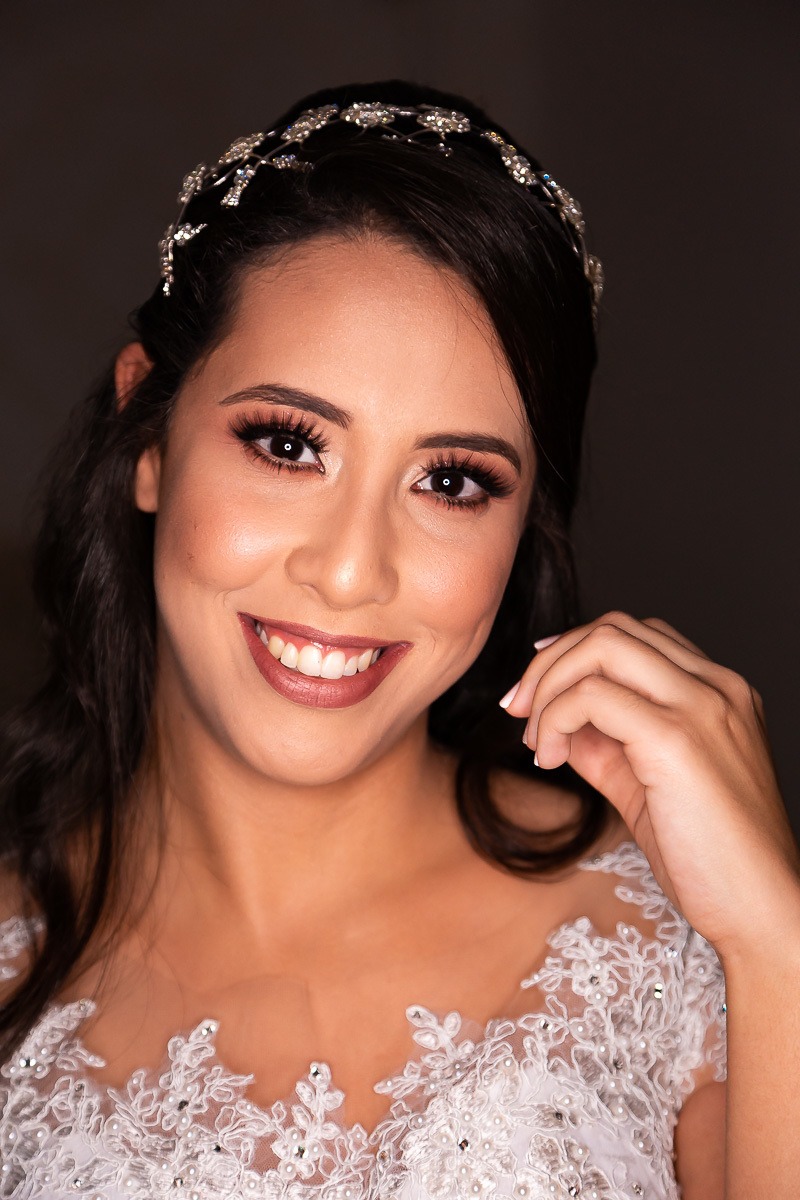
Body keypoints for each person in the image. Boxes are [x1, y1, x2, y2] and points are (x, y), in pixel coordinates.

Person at [0, 79, 797, 1200]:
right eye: (288, 444)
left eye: (451, 480)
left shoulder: (675, 944)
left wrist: (776, 941)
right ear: (150, 436)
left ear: (523, 526)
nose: (348, 571)